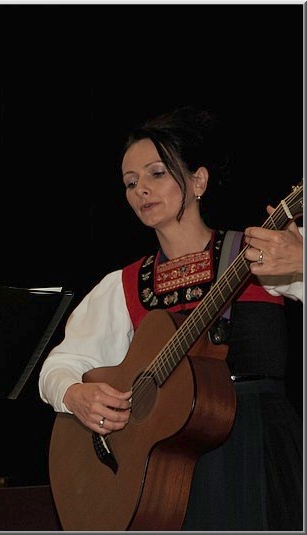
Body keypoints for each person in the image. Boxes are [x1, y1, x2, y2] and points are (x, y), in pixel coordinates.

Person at [38, 106, 303, 531]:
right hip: (169, 468)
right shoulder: (122, 284)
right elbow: (60, 365)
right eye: (130, 182)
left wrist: (303, 262)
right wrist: (74, 394)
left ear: (198, 181)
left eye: (156, 173)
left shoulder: (262, 251)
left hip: (259, 448)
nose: (141, 189)